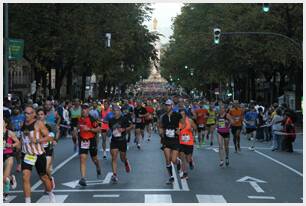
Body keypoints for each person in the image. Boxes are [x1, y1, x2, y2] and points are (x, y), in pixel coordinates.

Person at [20, 105, 56, 203]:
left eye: (29, 113)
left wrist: (38, 140)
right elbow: (22, 140)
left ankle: (50, 193)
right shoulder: (22, 124)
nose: (26, 115)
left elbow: (49, 137)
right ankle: (28, 202)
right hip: (27, 154)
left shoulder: (38, 124)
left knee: (43, 177)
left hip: (38, 154)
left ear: (33, 114)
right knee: (25, 176)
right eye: (25, 113)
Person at [160, 99, 185, 184]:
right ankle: (171, 177)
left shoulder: (177, 115)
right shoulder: (163, 116)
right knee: (167, 159)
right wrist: (161, 131)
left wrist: (180, 129)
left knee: (173, 160)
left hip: (175, 139)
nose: (167, 107)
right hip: (166, 140)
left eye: (169, 105)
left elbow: (183, 123)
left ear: (172, 106)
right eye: (166, 105)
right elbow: (160, 126)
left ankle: (178, 162)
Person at [78, 103, 102, 186]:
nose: (83, 110)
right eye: (82, 109)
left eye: (85, 109)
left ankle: (98, 166)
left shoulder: (92, 119)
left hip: (91, 140)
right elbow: (76, 127)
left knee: (94, 158)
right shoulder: (79, 119)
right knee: (82, 158)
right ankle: (83, 178)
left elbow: (98, 129)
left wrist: (89, 129)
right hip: (83, 140)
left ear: (88, 110)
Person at [108, 105, 133, 183]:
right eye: (114, 110)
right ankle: (114, 175)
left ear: (120, 111)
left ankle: (125, 161)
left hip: (122, 140)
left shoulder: (124, 119)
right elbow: (110, 129)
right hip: (114, 140)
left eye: (117, 110)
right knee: (114, 157)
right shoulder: (111, 120)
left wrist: (124, 129)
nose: (115, 112)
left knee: (122, 158)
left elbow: (131, 126)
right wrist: (109, 132)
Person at [36, 108, 57, 190]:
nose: (40, 116)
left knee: (45, 168)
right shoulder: (34, 126)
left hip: (48, 149)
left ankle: (51, 179)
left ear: (45, 115)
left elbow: (52, 135)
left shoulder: (49, 125)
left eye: (41, 114)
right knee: (42, 171)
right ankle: (48, 182)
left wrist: (53, 140)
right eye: (38, 115)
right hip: (39, 150)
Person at [3, 117, 20, 201]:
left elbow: (18, 142)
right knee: (5, 178)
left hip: (8, 155)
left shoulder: (9, 133)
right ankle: (11, 178)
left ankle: (5, 194)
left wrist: (11, 145)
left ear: (5, 124)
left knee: (3, 178)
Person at [178, 108, 197, 179]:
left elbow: (195, 128)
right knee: (183, 158)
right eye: (180, 114)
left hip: (189, 142)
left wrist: (191, 129)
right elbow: (176, 131)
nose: (182, 116)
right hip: (181, 142)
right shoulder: (178, 122)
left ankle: (191, 161)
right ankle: (185, 173)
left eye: (183, 114)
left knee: (188, 159)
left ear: (185, 114)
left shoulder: (190, 120)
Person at [10, 106, 25, 172]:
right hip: (14, 135)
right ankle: (19, 164)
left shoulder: (23, 116)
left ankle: (23, 163)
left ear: (19, 109)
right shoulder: (11, 118)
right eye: (14, 109)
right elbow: (10, 127)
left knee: (22, 150)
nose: (15, 110)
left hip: (22, 134)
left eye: (17, 109)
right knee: (17, 151)